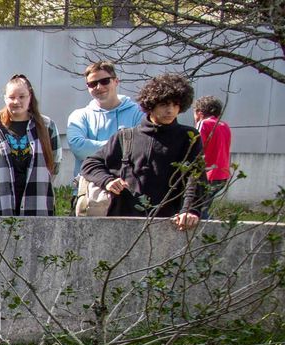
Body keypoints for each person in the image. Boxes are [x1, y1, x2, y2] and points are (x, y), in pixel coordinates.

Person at [80, 73, 203, 230]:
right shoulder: (125, 136)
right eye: (164, 104)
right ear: (151, 104)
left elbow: (195, 176)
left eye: (176, 104)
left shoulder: (188, 137)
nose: (170, 110)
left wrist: (189, 210)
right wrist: (108, 181)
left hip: (171, 223)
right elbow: (90, 163)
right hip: (122, 222)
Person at [0, 74, 61, 216]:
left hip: (37, 204)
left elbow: (55, 164)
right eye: (12, 97)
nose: (16, 101)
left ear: (30, 97)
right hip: (0, 205)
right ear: (5, 98)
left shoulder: (47, 127)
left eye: (22, 96)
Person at [66, 61, 145, 182]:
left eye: (104, 81)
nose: (99, 87)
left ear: (116, 81)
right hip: (90, 191)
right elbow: (79, 148)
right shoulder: (79, 116)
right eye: (93, 84)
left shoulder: (138, 113)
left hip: (129, 187)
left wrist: (94, 147)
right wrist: (122, 145)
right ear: (87, 87)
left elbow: (141, 147)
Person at [193, 95, 232, 218]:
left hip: (207, 174)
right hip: (222, 175)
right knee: (204, 206)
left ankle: (205, 232)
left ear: (199, 113)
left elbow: (195, 149)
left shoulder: (203, 124)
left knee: (196, 209)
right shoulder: (224, 126)